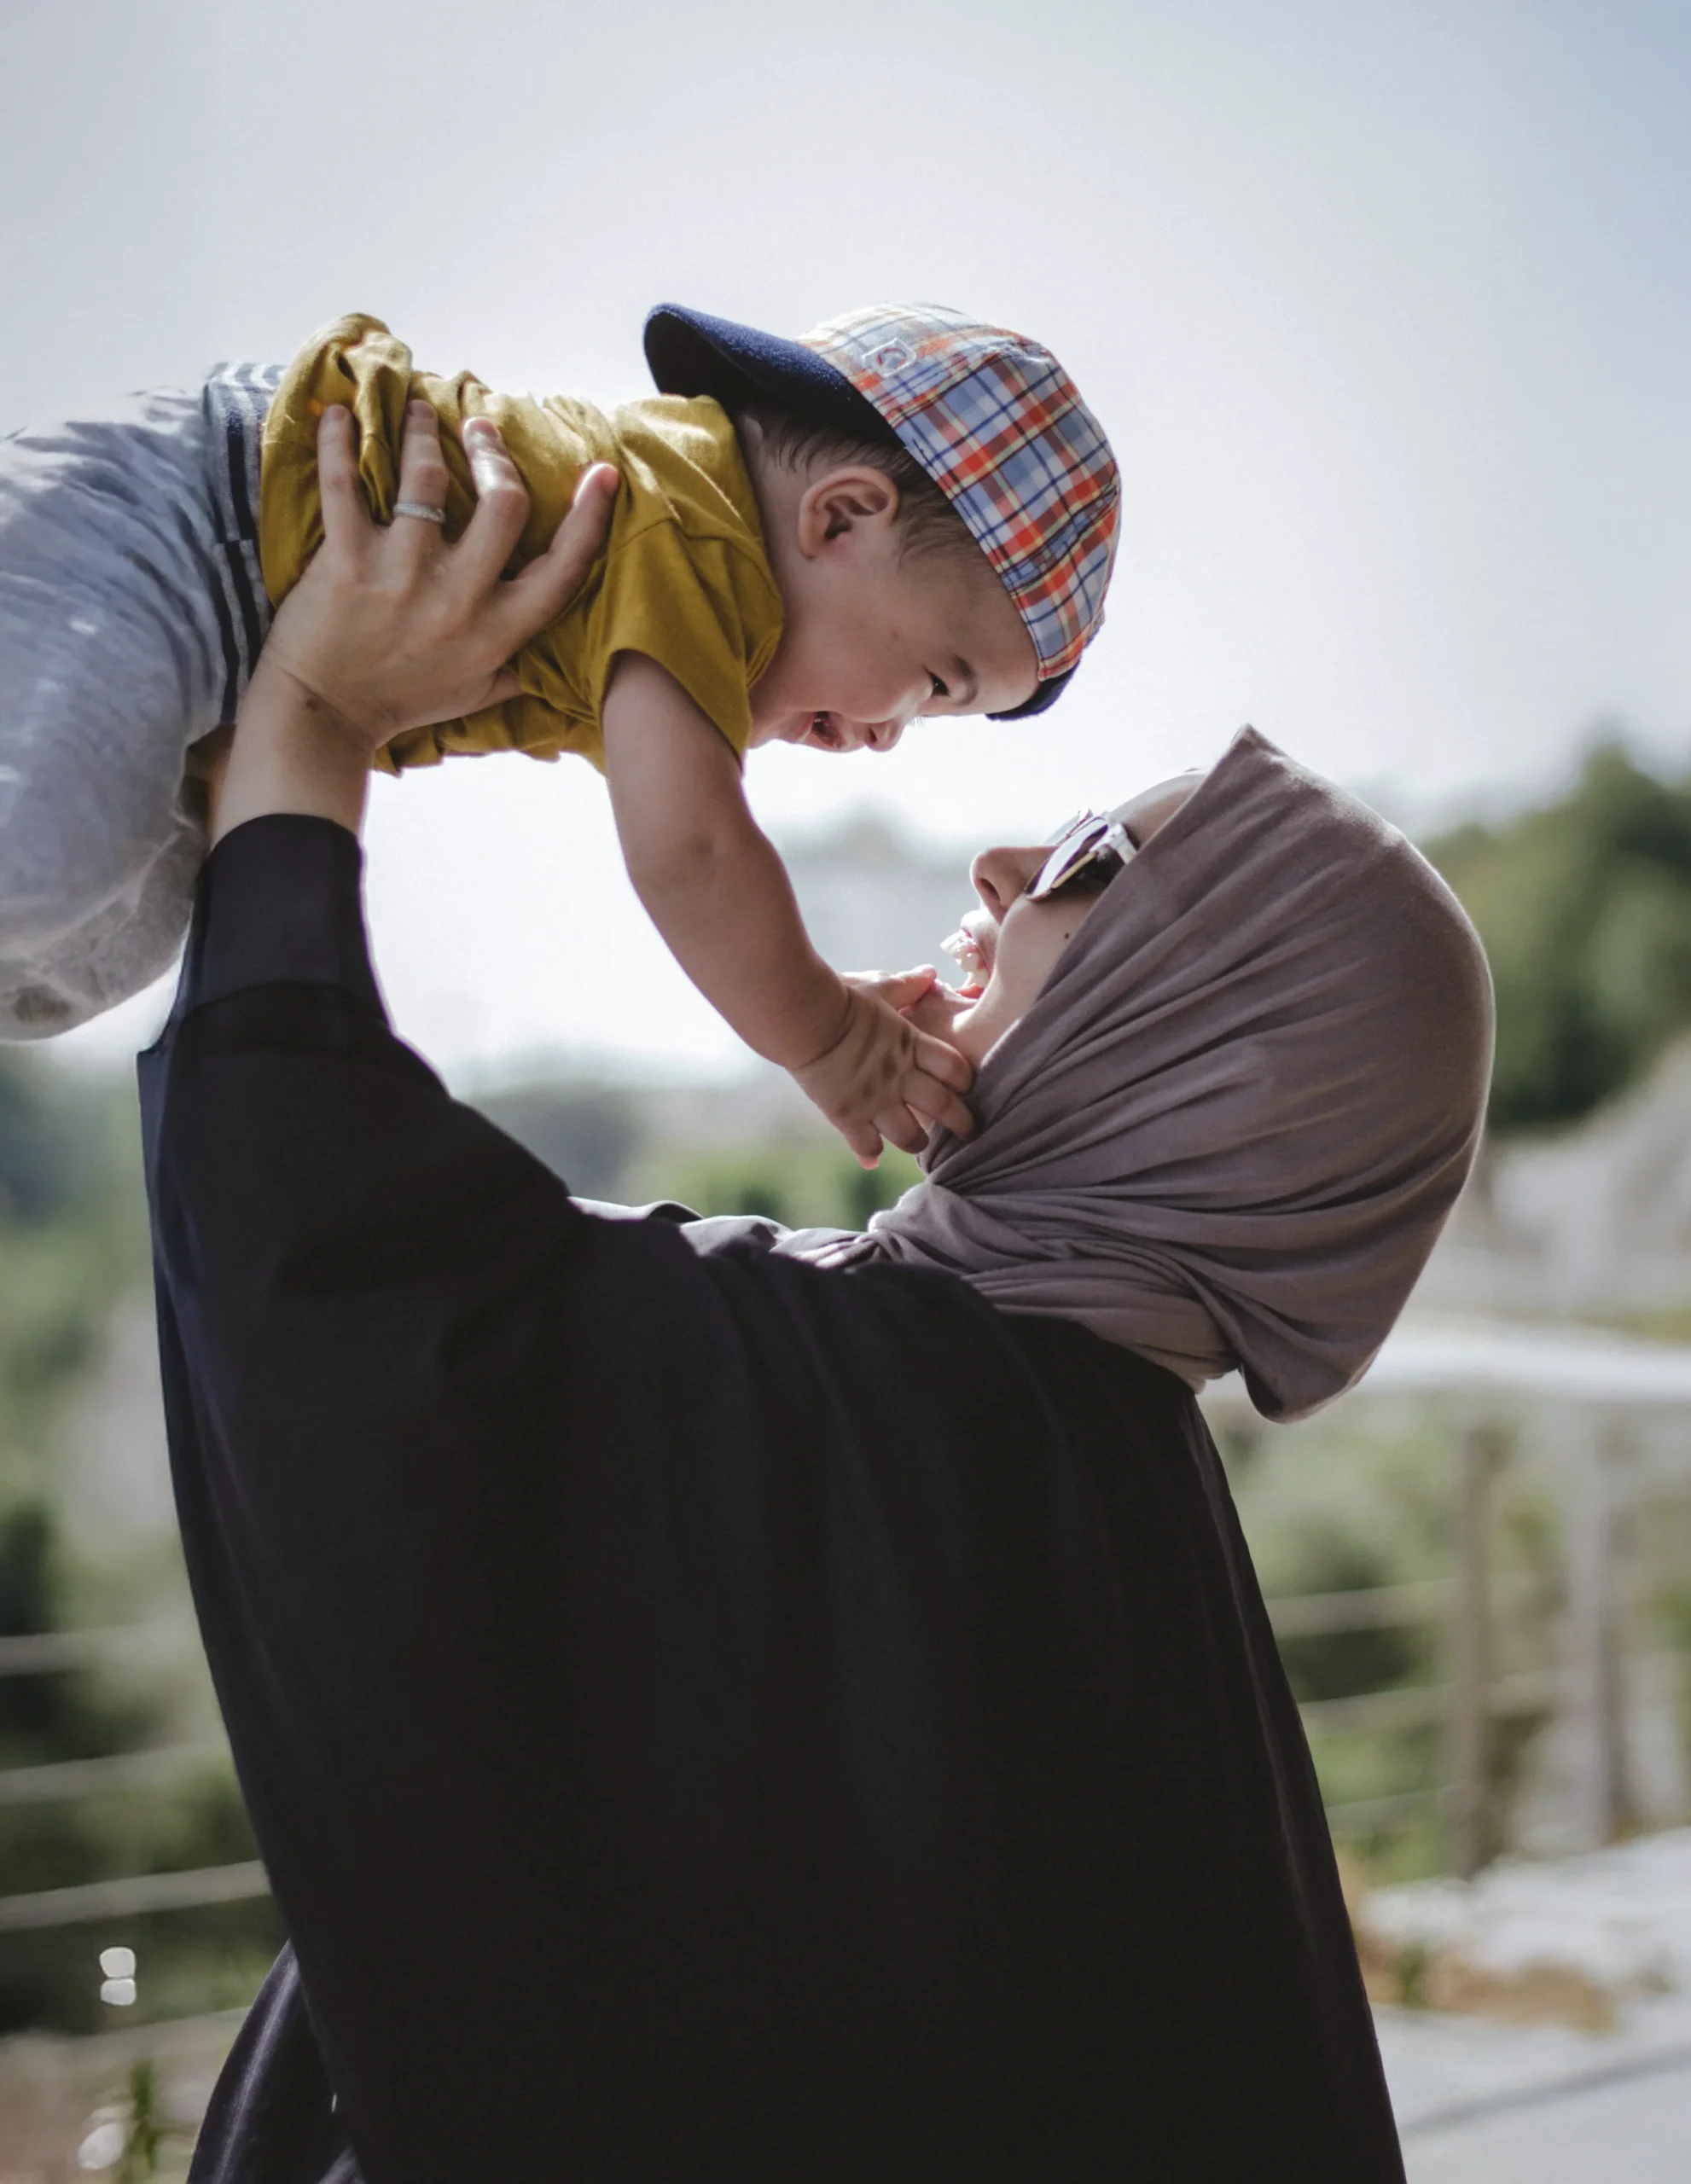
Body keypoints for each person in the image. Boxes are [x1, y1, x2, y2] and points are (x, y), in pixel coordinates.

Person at [149, 409, 1491, 2181]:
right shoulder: (1111, 1486)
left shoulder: (879, 1402)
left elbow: (330, 1245)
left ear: (1197, 1059)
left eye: (1089, 862)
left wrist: (309, 728)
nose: (1000, 862)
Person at [3, 300, 1120, 1165]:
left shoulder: (683, 584)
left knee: (99, 950)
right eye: (933, 681)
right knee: (38, 868)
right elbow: (693, 852)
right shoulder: (698, 534)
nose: (889, 738)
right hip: (193, 514)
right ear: (838, 517)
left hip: (229, 659)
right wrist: (827, 1036)